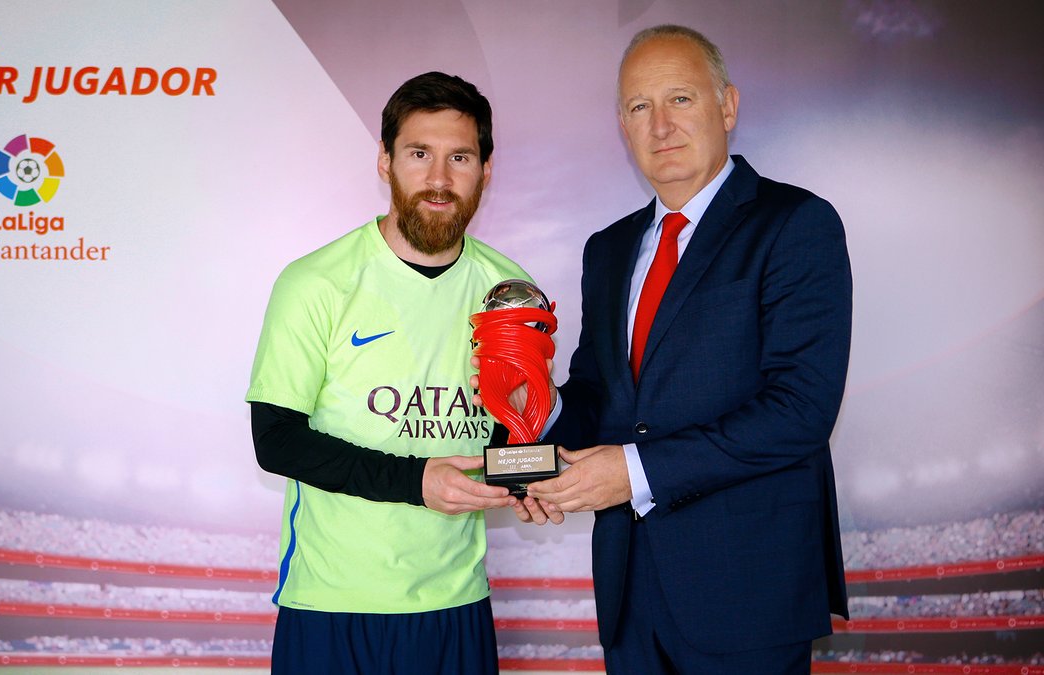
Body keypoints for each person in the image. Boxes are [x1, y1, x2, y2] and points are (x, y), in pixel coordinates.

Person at [526, 25, 853, 673]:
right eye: (639, 106)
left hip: (748, 591)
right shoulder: (607, 249)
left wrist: (631, 472)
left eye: (680, 98)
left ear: (726, 105)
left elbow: (800, 410)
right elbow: (598, 397)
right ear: (623, 125)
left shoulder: (796, 223)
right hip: (630, 592)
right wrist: (534, 411)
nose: (661, 125)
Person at [247, 71, 537, 675]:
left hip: (456, 601)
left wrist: (529, 477)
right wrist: (416, 481)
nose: (439, 178)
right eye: (419, 154)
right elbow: (276, 441)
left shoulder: (510, 293)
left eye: (460, 157)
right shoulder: (315, 283)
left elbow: (508, 436)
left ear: (486, 170)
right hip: (334, 603)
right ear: (385, 161)